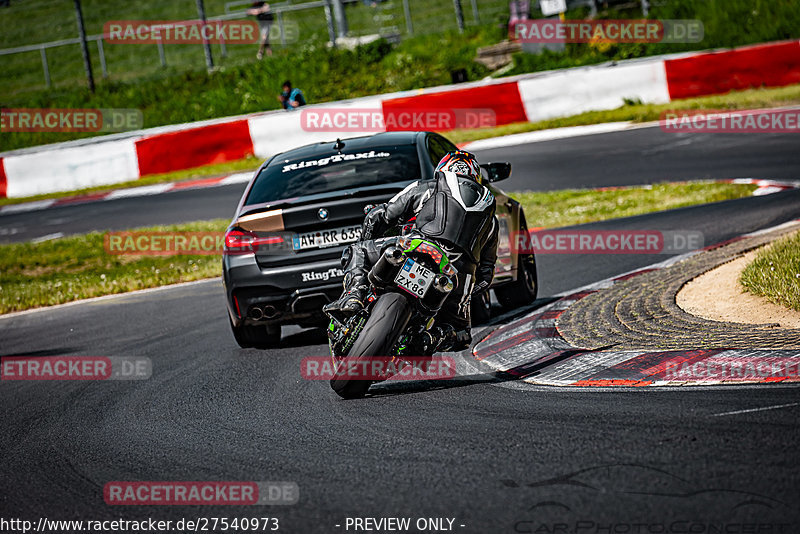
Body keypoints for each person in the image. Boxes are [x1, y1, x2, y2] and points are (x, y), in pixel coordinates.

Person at [324, 150, 499, 352]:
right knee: (461, 335)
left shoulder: (427, 187)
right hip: (460, 273)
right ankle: (429, 339)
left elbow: (378, 216)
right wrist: (464, 294)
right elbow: (486, 274)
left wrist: (369, 242)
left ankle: (355, 295)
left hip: (418, 244)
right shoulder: (491, 219)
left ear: (442, 170)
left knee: (358, 251)